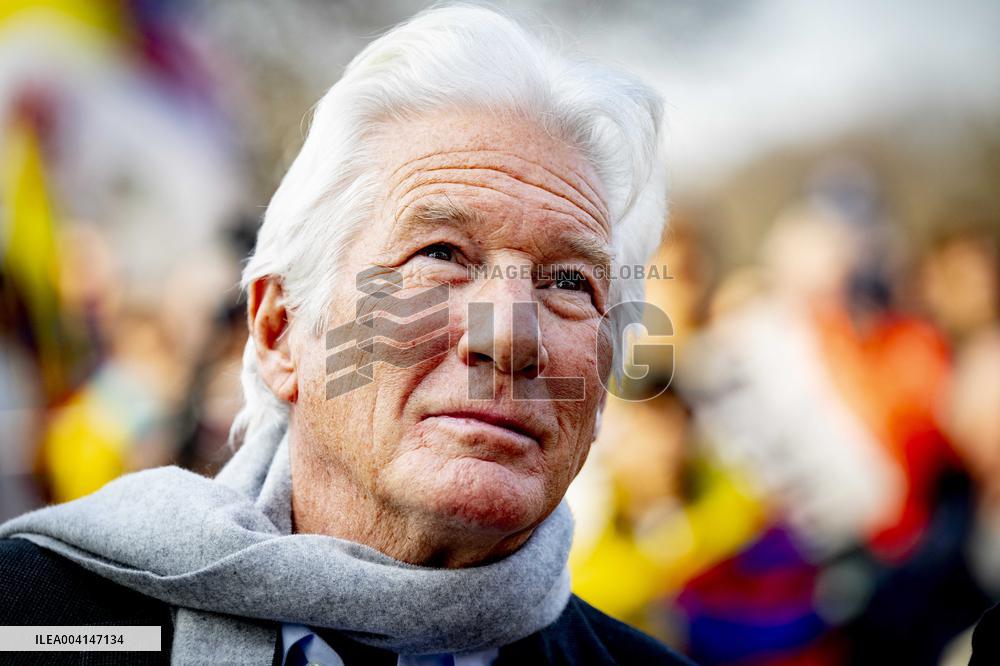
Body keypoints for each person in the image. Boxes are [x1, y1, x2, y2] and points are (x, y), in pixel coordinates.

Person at [0, 6, 691, 665]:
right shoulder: (33, 625)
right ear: (279, 331)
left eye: (569, 282)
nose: (510, 335)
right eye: (440, 254)